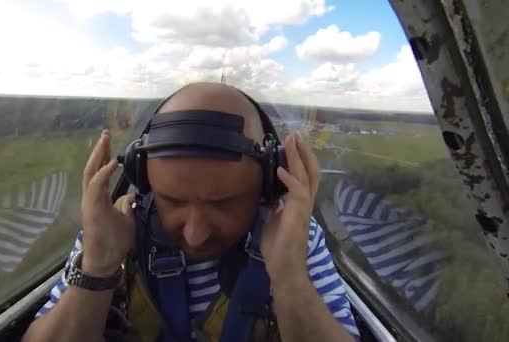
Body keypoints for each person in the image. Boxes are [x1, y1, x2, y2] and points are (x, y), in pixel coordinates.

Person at [22, 82, 360, 341]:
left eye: (224, 203)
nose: (195, 233)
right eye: (173, 201)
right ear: (144, 178)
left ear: (268, 184)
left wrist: (288, 275)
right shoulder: (113, 228)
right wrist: (98, 265)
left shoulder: (296, 236)